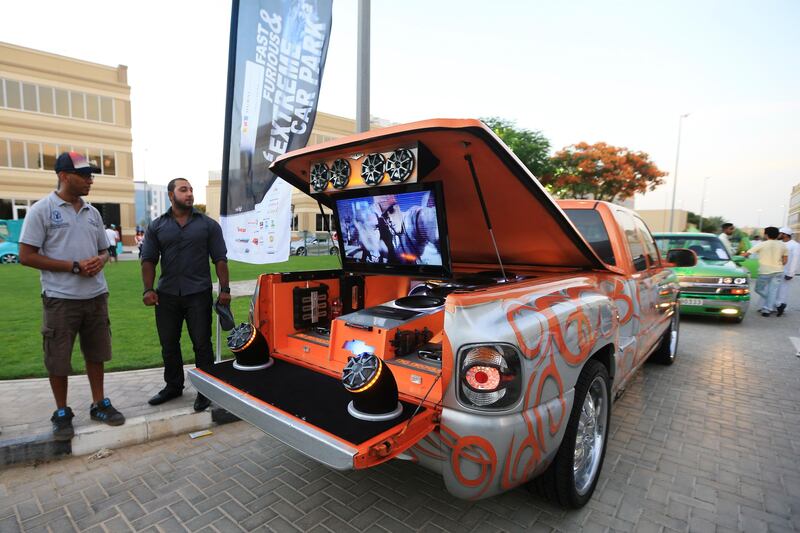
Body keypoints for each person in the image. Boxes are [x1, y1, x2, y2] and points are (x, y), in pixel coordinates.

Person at [18, 151, 125, 440]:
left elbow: (104, 250)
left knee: (96, 353)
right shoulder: (42, 210)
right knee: (58, 357)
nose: (90, 179)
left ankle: (99, 403)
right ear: (64, 176)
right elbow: (26, 256)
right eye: (84, 174)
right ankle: (62, 411)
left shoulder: (93, 213)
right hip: (60, 299)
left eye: (91, 174)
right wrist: (73, 266)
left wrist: (100, 261)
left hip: (95, 296)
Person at [140, 178, 230, 411]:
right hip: (166, 295)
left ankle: (206, 389)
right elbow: (148, 260)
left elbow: (220, 259)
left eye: (191, 190)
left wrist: (225, 289)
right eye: (183, 190)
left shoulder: (209, 225)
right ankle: (173, 386)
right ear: (171, 195)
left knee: (202, 344)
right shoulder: (157, 226)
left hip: (198, 293)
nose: (189, 194)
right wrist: (148, 289)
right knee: (169, 344)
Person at [376, 194, 440, 265]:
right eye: (385, 216)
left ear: (398, 208)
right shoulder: (392, 238)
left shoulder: (412, 218)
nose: (389, 218)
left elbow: (426, 219)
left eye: (391, 211)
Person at [742, 226, 788, 317]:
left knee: (758, 289)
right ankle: (770, 309)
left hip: (765, 271)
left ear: (766, 234)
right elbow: (785, 261)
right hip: (778, 271)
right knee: (772, 291)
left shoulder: (762, 244)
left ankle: (775, 305)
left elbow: (746, 254)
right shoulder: (783, 245)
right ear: (777, 234)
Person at [776, 226, 800, 316]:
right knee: (775, 289)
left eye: (780, 233)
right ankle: (775, 305)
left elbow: (795, 260)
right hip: (776, 270)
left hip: (786, 271)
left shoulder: (795, 245)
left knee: (783, 290)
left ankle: (781, 306)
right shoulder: (778, 243)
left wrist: (791, 273)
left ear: (785, 235)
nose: (778, 235)